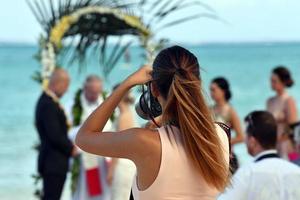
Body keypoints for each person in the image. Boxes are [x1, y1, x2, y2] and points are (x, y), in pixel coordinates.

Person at [76, 46, 230, 200]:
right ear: (197, 84)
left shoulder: (144, 142)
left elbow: (83, 138)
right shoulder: (222, 134)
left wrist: (127, 83)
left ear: (154, 89)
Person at [218, 111, 300, 200]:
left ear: (252, 141)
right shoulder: (296, 171)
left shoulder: (247, 173)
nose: (245, 141)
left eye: (246, 136)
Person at [67, 75, 112, 200]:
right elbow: (68, 131)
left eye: (97, 92)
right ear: (84, 88)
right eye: (92, 92)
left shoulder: (106, 101)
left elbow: (113, 126)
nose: (94, 95)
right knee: (83, 192)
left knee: (106, 191)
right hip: (83, 156)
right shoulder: (73, 105)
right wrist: (86, 130)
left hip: (103, 157)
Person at [35, 68, 76, 200]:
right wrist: (71, 149)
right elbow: (54, 135)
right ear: (59, 83)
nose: (66, 90)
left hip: (54, 161)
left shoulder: (49, 101)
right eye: (66, 86)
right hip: (53, 162)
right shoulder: (48, 104)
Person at [107, 85, 136, 200]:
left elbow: (119, 147)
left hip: (122, 165)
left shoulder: (124, 117)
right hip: (126, 164)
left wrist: (111, 170)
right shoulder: (126, 114)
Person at [210, 77, 244, 172]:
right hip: (212, 156)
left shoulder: (230, 111)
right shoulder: (209, 110)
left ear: (223, 91)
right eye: (210, 90)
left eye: (214, 90)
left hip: (227, 156)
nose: (211, 93)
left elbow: (241, 137)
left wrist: (223, 142)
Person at [267, 66, 298, 159]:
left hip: (286, 146)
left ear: (283, 82)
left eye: (274, 81)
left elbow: (293, 128)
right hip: (272, 145)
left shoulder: (288, 100)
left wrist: (279, 140)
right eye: (271, 80)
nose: (271, 83)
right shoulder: (270, 101)